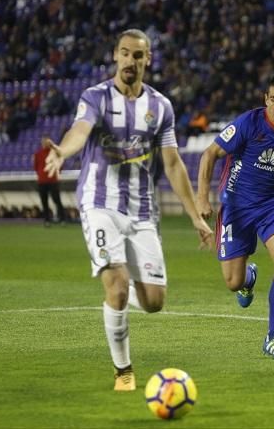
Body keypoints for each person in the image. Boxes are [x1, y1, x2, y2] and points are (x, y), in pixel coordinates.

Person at [43, 29, 213, 391]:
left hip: (142, 210)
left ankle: (122, 293)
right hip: (99, 203)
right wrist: (63, 151)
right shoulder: (96, 97)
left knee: (154, 302)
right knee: (117, 284)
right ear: (115, 56)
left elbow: (172, 164)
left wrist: (195, 214)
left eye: (138, 55)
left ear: (147, 59)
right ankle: (123, 370)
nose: (130, 61)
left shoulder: (160, 106)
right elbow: (80, 129)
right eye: (124, 54)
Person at [196, 72, 274, 360]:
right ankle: (248, 278)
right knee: (233, 282)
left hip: (272, 204)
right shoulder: (248, 123)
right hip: (236, 207)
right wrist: (202, 197)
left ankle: (273, 338)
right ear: (266, 100)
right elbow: (209, 154)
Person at [33, 135, 65, 226]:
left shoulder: (54, 153)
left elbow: (60, 164)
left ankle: (62, 218)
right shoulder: (37, 154)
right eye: (43, 142)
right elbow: (36, 167)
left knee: (57, 200)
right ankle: (47, 220)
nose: (44, 144)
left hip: (52, 181)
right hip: (42, 181)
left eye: (46, 142)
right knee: (44, 202)